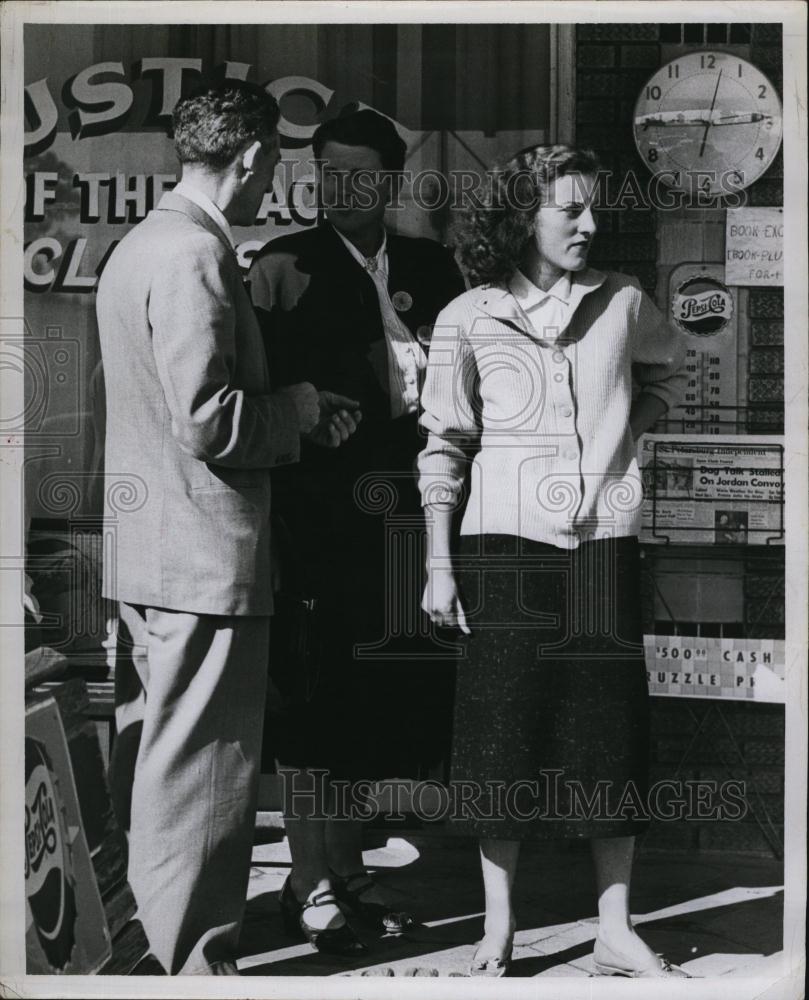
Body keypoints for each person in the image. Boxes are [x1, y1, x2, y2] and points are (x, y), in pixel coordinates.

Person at [97, 82, 359, 975]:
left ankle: (157, 943)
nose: (271, 181)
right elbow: (208, 419)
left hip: (154, 555)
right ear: (250, 159)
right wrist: (297, 406)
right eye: (274, 165)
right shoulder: (193, 256)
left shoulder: (143, 243)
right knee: (204, 778)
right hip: (203, 558)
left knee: (161, 765)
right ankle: (196, 965)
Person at [418, 145, 692, 978]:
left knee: (609, 734)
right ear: (519, 219)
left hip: (602, 542)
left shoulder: (624, 303)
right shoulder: (467, 316)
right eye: (567, 209)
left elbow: (667, 370)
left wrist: (624, 437)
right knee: (499, 735)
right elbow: (444, 443)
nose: (589, 223)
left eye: (591, 207)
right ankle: (497, 928)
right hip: (500, 544)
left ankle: (614, 930)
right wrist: (436, 561)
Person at [248, 108, 466, 954]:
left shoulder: (427, 264)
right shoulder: (281, 267)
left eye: (360, 175)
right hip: (314, 523)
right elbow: (252, 394)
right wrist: (303, 419)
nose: (341, 189)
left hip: (406, 516)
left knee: (366, 708)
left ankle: (343, 872)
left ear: (390, 181)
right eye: (326, 172)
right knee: (310, 706)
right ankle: (311, 887)